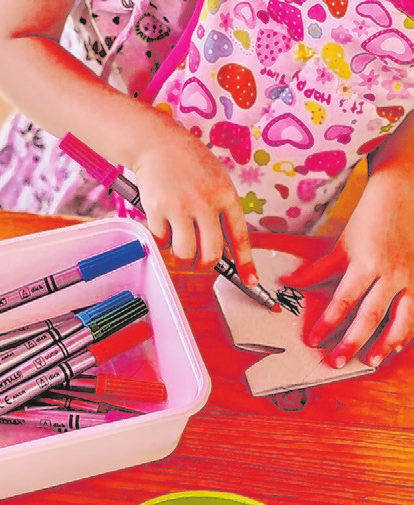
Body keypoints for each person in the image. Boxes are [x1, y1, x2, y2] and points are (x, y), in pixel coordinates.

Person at [0, 0, 413, 370]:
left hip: (263, 231)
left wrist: (401, 180)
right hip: (66, 186)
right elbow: (12, 42)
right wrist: (148, 144)